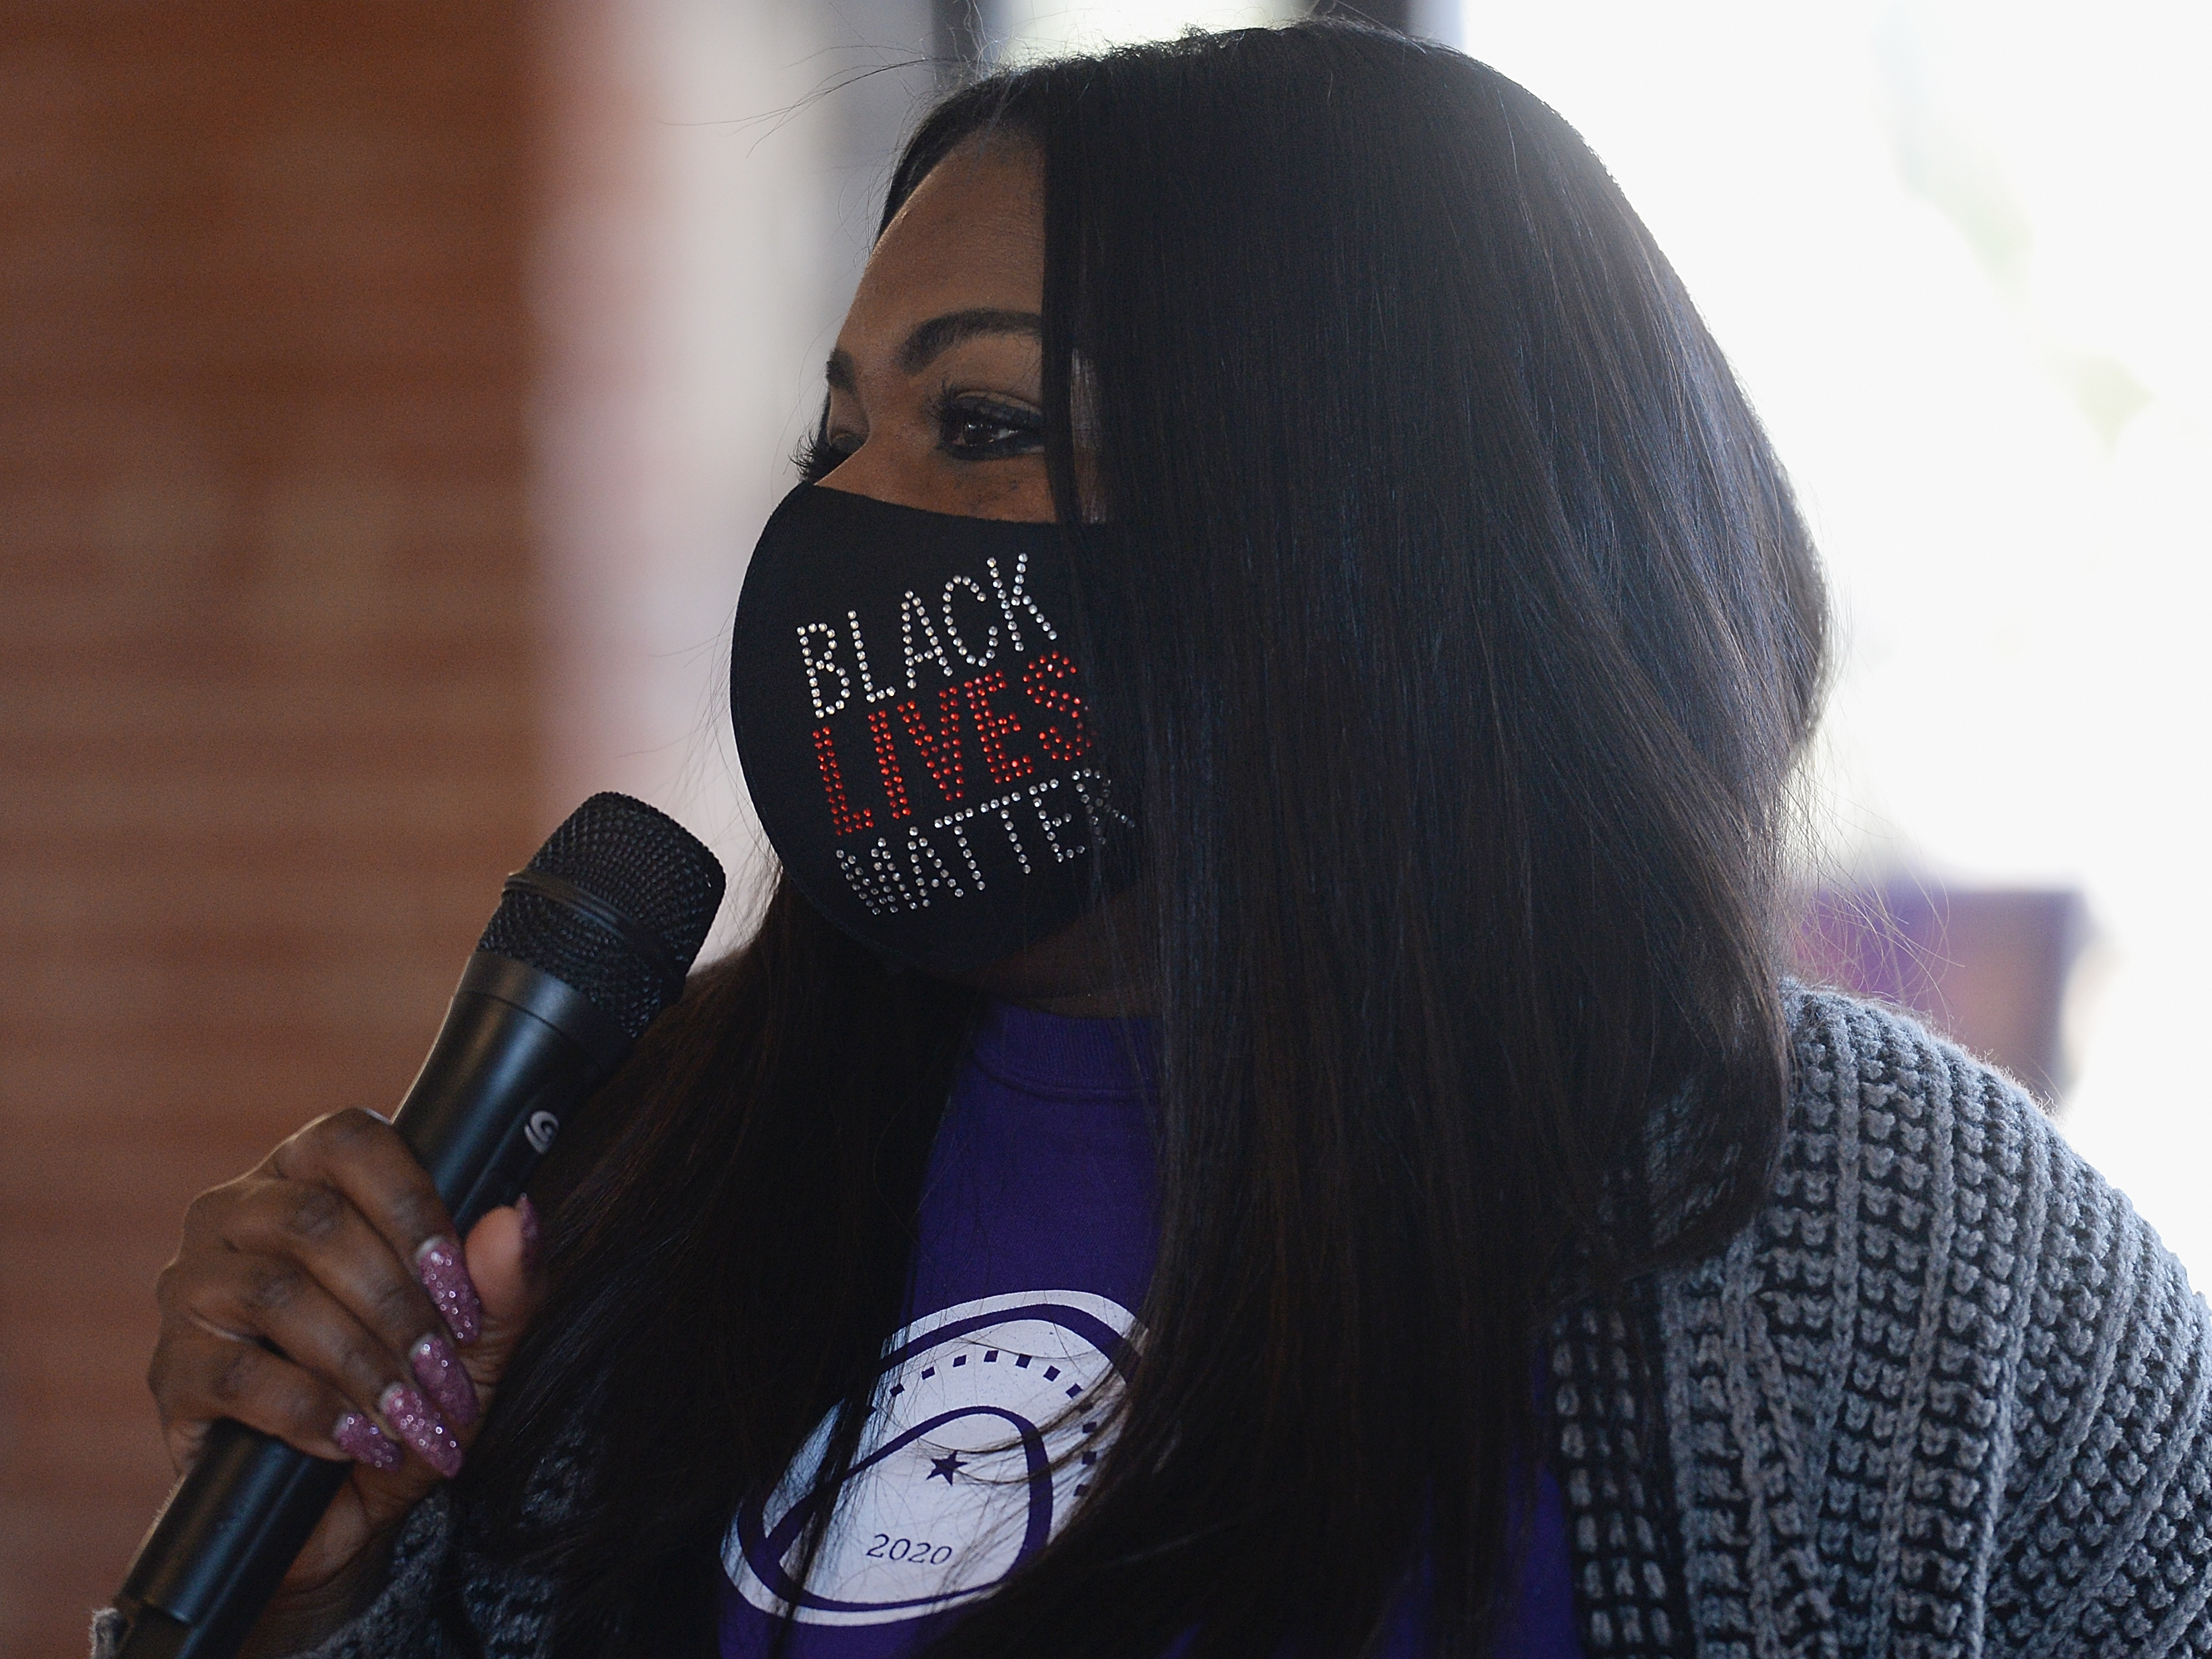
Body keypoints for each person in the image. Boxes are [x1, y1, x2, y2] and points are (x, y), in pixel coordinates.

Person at [105, 21, 2212, 1659]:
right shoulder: (641, 1157)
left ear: (1376, 524)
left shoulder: (1889, 1238)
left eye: (992, 426)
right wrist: (312, 1585)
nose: (847, 532)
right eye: (839, 435)